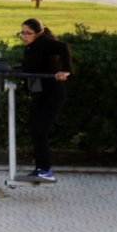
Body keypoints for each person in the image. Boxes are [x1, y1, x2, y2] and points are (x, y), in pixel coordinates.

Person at [18, 18, 72, 183]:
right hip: (40, 94)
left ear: (39, 33)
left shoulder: (44, 43)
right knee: (35, 128)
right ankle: (40, 168)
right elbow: (31, 68)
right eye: (22, 33)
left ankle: (44, 169)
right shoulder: (32, 47)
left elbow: (63, 48)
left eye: (28, 33)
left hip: (52, 94)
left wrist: (65, 70)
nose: (24, 36)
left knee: (40, 129)